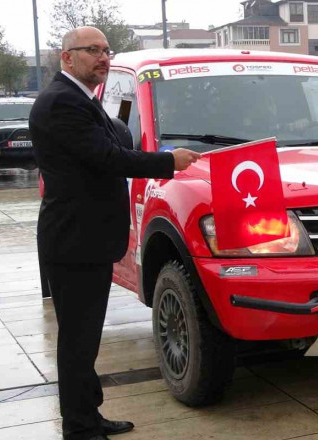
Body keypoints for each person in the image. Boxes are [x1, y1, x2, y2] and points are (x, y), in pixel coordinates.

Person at [31, 27, 201, 440]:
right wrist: (168, 161)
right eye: (92, 50)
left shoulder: (80, 100)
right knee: (77, 341)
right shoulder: (61, 103)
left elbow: (110, 141)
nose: (103, 57)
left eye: (106, 50)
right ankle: (81, 427)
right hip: (74, 242)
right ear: (66, 57)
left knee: (84, 339)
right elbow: (107, 158)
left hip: (86, 239)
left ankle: (89, 415)